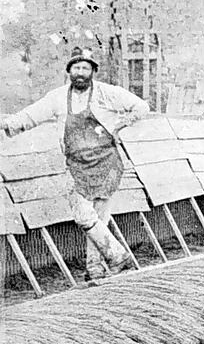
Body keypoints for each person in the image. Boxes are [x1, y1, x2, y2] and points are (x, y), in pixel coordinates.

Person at [3, 46, 148, 280]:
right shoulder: (58, 97)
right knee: (85, 217)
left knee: (98, 219)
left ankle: (95, 270)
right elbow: (31, 115)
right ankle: (118, 256)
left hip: (106, 164)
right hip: (77, 167)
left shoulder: (106, 93)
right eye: (76, 68)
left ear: (93, 71)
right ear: (69, 71)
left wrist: (119, 125)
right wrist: (7, 124)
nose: (81, 73)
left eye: (85, 68)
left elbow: (141, 107)